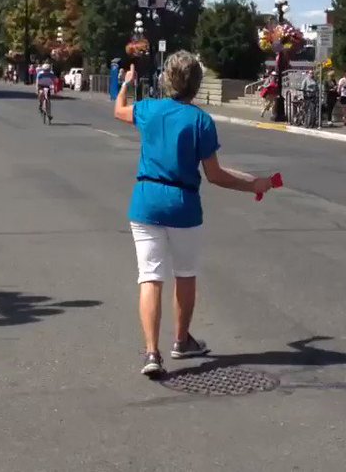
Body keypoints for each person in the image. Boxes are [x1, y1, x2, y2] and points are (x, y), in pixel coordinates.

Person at [114, 51, 275, 376]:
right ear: (196, 84)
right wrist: (254, 185)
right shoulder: (200, 121)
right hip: (183, 204)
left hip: (146, 201)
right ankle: (181, 340)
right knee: (184, 274)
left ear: (167, 80)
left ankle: (150, 353)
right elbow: (215, 175)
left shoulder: (148, 110)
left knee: (150, 276)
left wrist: (126, 85)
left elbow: (118, 111)